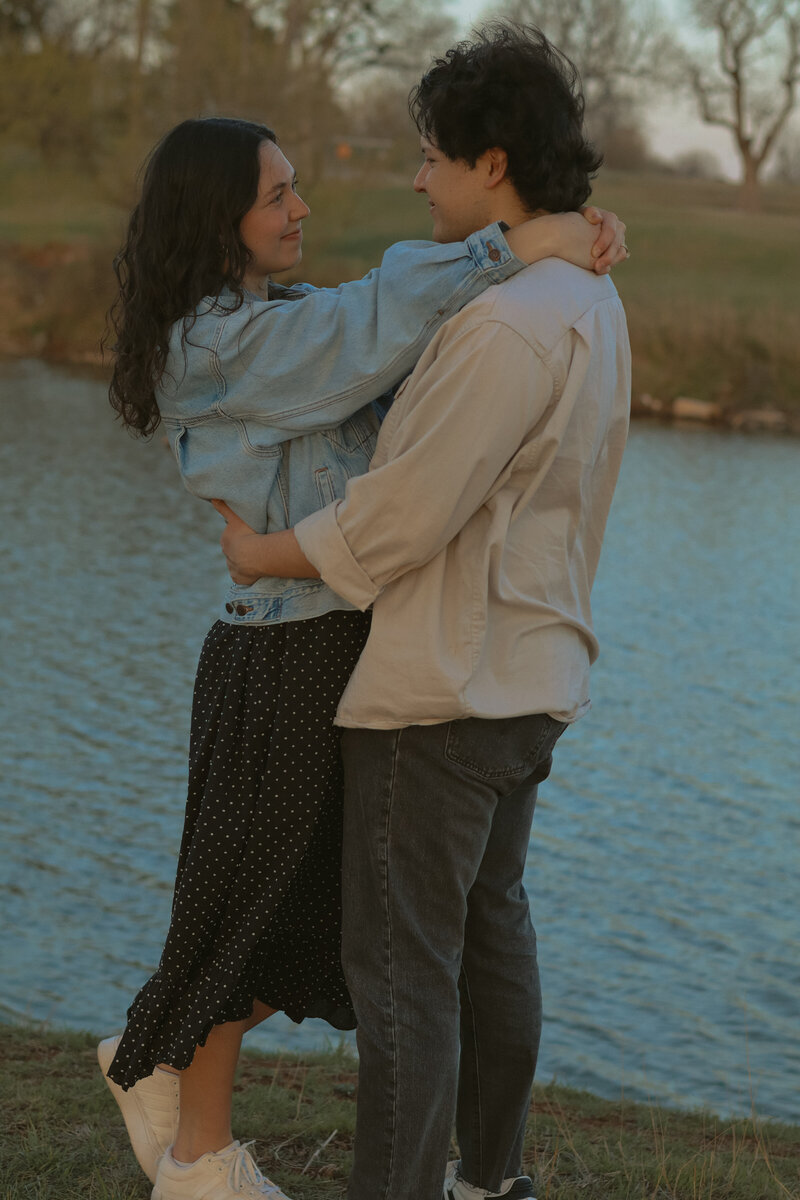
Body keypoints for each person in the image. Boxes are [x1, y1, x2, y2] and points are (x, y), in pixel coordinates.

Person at [98, 108, 627, 1200]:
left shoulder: (284, 311)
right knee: (247, 904)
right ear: (217, 216)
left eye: (296, 186)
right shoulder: (215, 345)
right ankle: (196, 1157)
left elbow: (383, 324)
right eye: (275, 194)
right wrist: (517, 245)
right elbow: (361, 334)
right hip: (277, 654)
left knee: (315, 920)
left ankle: (152, 1068)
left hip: (343, 640)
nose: (300, 208)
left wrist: (555, 243)